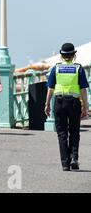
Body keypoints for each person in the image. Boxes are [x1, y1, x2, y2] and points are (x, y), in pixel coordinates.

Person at [45, 43, 89, 171]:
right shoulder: (78, 68)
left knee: (62, 133)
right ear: (74, 55)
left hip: (59, 103)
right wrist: (85, 107)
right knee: (74, 131)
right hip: (74, 103)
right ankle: (74, 158)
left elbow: (50, 88)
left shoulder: (56, 68)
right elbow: (83, 90)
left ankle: (65, 163)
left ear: (62, 55)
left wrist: (47, 104)